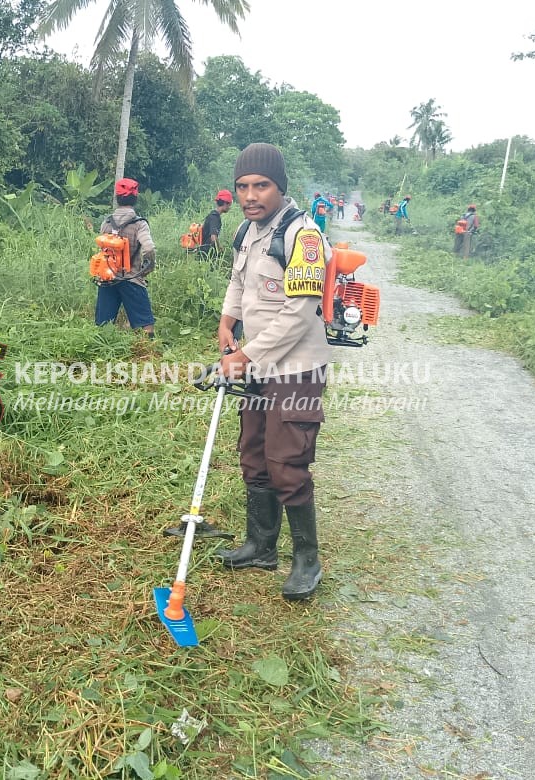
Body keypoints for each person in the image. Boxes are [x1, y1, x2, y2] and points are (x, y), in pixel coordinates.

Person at [215, 142, 331, 601]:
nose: (250, 194)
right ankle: (260, 545)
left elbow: (300, 312)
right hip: (259, 365)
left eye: (260, 185)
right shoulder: (248, 230)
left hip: (296, 369)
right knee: (255, 452)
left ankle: (307, 558)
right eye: (242, 186)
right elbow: (239, 281)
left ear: (280, 186)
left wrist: (244, 357)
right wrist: (227, 320)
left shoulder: (303, 237)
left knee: (286, 462)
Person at [95, 178, 156, 338]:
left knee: (103, 325)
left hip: (107, 278)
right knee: (146, 324)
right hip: (132, 279)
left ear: (117, 198)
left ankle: (101, 352)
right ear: (135, 198)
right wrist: (147, 269)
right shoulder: (139, 224)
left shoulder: (106, 222)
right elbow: (149, 248)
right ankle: (149, 353)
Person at [197, 189, 233, 263]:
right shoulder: (215, 218)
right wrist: (219, 249)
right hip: (207, 254)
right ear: (225, 204)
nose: (229, 207)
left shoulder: (212, 215)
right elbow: (213, 237)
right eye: (229, 205)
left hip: (203, 252)